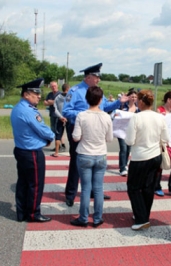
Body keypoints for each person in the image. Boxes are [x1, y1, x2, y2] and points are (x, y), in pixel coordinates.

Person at [62, 63, 128, 207]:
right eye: (96, 77)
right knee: (76, 162)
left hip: (96, 130)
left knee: (95, 160)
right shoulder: (75, 91)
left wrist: (118, 102)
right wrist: (86, 115)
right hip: (79, 128)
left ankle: (93, 190)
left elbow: (104, 107)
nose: (98, 80)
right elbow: (66, 111)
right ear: (88, 77)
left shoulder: (99, 92)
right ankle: (70, 194)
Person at [11, 78, 55, 223]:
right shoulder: (28, 111)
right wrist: (50, 137)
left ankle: (22, 212)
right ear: (26, 94)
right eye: (35, 93)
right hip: (31, 153)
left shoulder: (18, 108)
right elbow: (42, 130)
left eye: (39, 93)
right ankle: (33, 213)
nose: (39, 96)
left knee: (23, 183)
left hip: (22, 150)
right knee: (35, 184)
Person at [125, 89, 169, 230]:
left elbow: (129, 141)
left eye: (138, 100)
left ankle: (141, 218)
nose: (136, 102)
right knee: (148, 187)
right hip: (155, 156)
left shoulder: (136, 118)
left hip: (140, 157)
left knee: (134, 187)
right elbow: (166, 139)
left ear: (142, 102)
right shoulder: (160, 117)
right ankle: (144, 214)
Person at [70, 86, 113, 228]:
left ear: (87, 99)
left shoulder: (81, 116)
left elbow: (75, 137)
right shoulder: (106, 116)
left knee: (86, 189)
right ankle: (97, 218)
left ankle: (83, 218)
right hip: (100, 154)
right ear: (101, 100)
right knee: (99, 188)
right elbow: (110, 138)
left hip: (84, 154)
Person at [154, 91, 171, 198]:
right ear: (168, 100)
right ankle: (157, 187)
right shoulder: (159, 111)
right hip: (162, 143)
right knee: (160, 166)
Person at [117, 89, 139, 176]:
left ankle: (125, 164)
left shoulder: (138, 109)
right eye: (132, 96)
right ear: (128, 97)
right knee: (123, 148)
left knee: (128, 149)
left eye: (135, 97)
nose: (133, 98)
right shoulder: (123, 106)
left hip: (131, 131)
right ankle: (122, 168)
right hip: (121, 131)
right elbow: (117, 115)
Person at [44, 81, 65, 151]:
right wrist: (51, 102)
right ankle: (59, 145)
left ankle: (61, 146)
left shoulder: (60, 94)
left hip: (58, 115)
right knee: (53, 130)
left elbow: (61, 103)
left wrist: (51, 102)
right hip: (52, 114)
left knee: (58, 130)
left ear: (57, 86)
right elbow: (45, 103)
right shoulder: (50, 94)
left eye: (54, 86)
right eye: (52, 86)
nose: (53, 87)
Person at [51, 83, 70, 157]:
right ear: (68, 88)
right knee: (70, 136)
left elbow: (55, 109)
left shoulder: (57, 97)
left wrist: (60, 117)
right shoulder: (71, 97)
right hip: (69, 118)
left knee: (58, 135)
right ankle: (71, 153)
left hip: (60, 119)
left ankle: (56, 152)